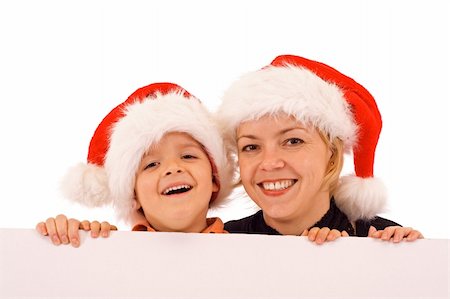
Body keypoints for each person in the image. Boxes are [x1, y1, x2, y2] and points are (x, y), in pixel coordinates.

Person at [217, 54, 423, 243]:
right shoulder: (221, 242)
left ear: (332, 154)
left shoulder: (378, 240)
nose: (269, 163)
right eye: (251, 146)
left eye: (293, 141)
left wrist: (412, 259)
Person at [36, 82, 234, 247]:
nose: (173, 168)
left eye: (188, 156)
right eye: (151, 164)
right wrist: (70, 240)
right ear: (133, 196)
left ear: (215, 179)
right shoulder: (109, 249)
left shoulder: (250, 252)